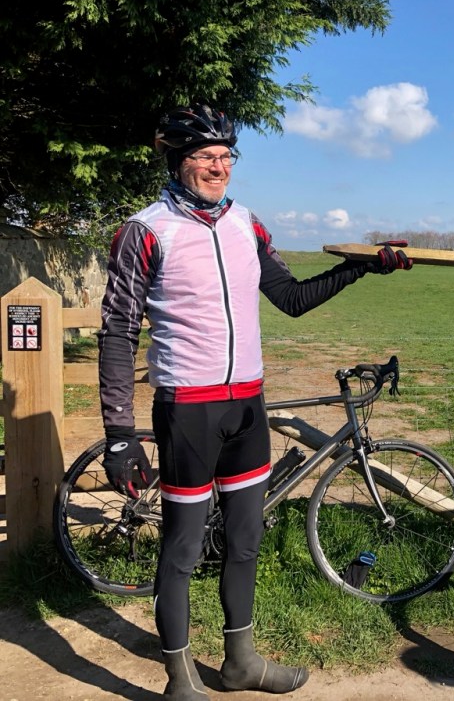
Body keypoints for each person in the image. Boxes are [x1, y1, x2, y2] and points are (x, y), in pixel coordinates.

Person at [97, 104, 412, 700]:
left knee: (245, 539)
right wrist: (119, 435)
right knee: (183, 547)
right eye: (205, 156)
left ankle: (239, 663)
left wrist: (362, 268)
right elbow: (117, 333)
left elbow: (291, 297)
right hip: (188, 408)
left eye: (226, 156)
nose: (219, 167)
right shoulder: (146, 231)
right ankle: (180, 679)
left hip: (248, 405)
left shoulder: (247, 224)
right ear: (177, 161)